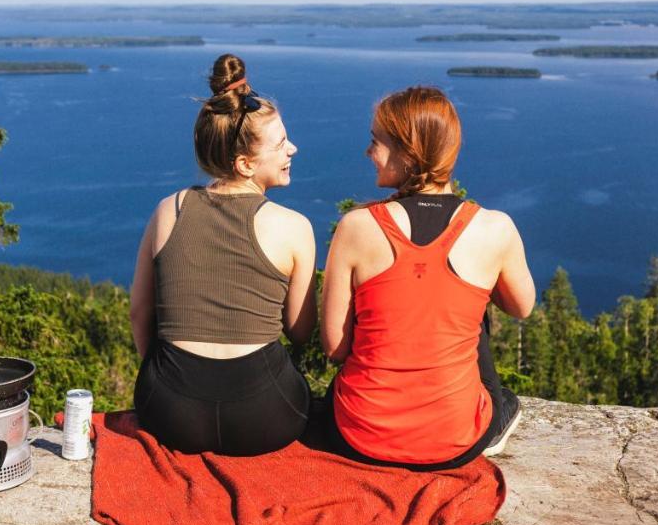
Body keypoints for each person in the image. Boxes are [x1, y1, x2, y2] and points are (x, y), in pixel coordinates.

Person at [321, 86, 535, 469]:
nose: (369, 153)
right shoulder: (494, 228)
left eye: (376, 143)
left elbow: (336, 348)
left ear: (408, 152)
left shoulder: (356, 227)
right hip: (456, 440)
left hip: (360, 435)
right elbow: (521, 306)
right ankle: (485, 421)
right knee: (471, 304)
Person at [128, 54, 316, 455]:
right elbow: (301, 332)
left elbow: (139, 312)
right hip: (267, 416)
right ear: (246, 164)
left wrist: (162, 376)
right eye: (282, 143)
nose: (293, 149)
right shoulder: (294, 227)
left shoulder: (169, 210)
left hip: (168, 413)